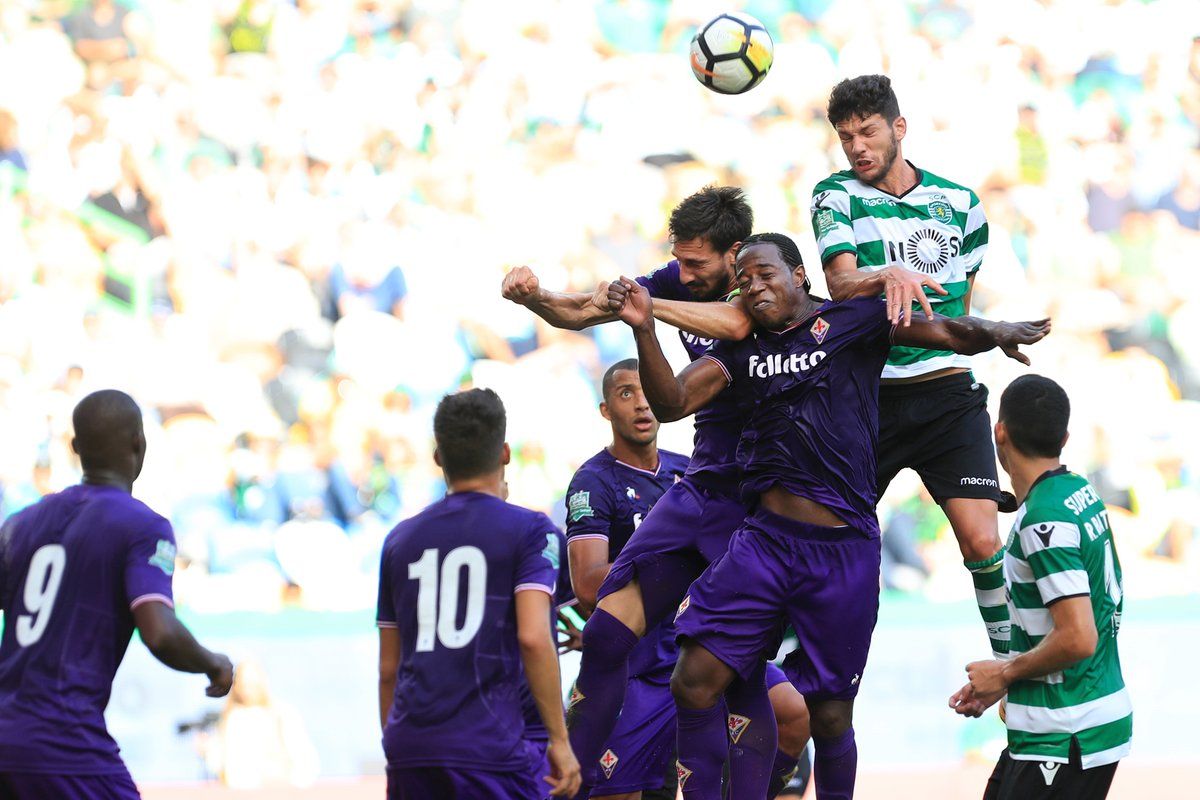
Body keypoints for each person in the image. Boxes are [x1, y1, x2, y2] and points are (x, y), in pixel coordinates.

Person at [606, 233, 1048, 799]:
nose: (754, 287)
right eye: (743, 281)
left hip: (843, 551)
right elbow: (671, 403)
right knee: (692, 681)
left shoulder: (853, 321)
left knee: (831, 714)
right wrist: (644, 328)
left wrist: (996, 331)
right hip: (764, 544)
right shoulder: (739, 348)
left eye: (765, 274)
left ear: (799, 275)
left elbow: (945, 333)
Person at [503, 188, 810, 795]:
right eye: (679, 261)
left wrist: (647, 309)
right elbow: (582, 310)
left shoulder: (759, 285)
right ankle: (567, 781)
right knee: (606, 634)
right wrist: (536, 298)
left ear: (735, 256)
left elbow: (736, 323)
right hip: (704, 483)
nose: (684, 273)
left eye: (696, 264)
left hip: (758, 500)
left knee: (749, 685)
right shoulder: (680, 281)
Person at [812, 74, 1013, 659]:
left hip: (946, 395)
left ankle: (1010, 666)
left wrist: (985, 338)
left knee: (982, 541)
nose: (857, 147)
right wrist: (887, 274)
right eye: (846, 137)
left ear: (899, 128)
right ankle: (780, 666)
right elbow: (840, 284)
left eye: (867, 132)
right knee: (825, 541)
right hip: (868, 397)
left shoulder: (961, 205)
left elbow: (960, 311)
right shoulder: (835, 195)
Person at [0, 389, 235, 799]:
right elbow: (159, 632)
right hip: (65, 741)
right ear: (139, 443)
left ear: (75, 448)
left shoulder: (21, 523)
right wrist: (213, 663)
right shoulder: (143, 526)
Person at [375, 388, 581, 799]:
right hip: (490, 748)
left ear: (438, 457)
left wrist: (397, 747)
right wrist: (560, 739)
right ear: (505, 453)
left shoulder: (400, 540)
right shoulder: (531, 531)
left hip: (412, 748)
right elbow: (533, 636)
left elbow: (387, 669)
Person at [948, 375, 1131, 799]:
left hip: (1066, 729)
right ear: (1064, 438)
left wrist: (1003, 672)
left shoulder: (1044, 520)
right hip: (1065, 722)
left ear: (1000, 432)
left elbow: (1078, 636)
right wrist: (1008, 682)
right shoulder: (1078, 491)